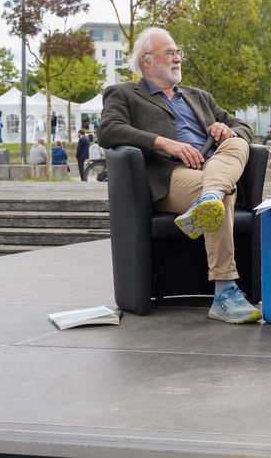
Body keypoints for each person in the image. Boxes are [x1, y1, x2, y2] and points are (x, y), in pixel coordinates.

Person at [99, 26, 259, 324]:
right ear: (147, 60)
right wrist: (163, 143)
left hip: (213, 169)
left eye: (178, 52)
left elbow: (244, 127)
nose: (177, 58)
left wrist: (227, 130)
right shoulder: (124, 94)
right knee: (223, 193)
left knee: (238, 143)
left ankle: (210, 197)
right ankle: (224, 293)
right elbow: (109, 131)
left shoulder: (199, 97)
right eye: (170, 53)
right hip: (171, 177)